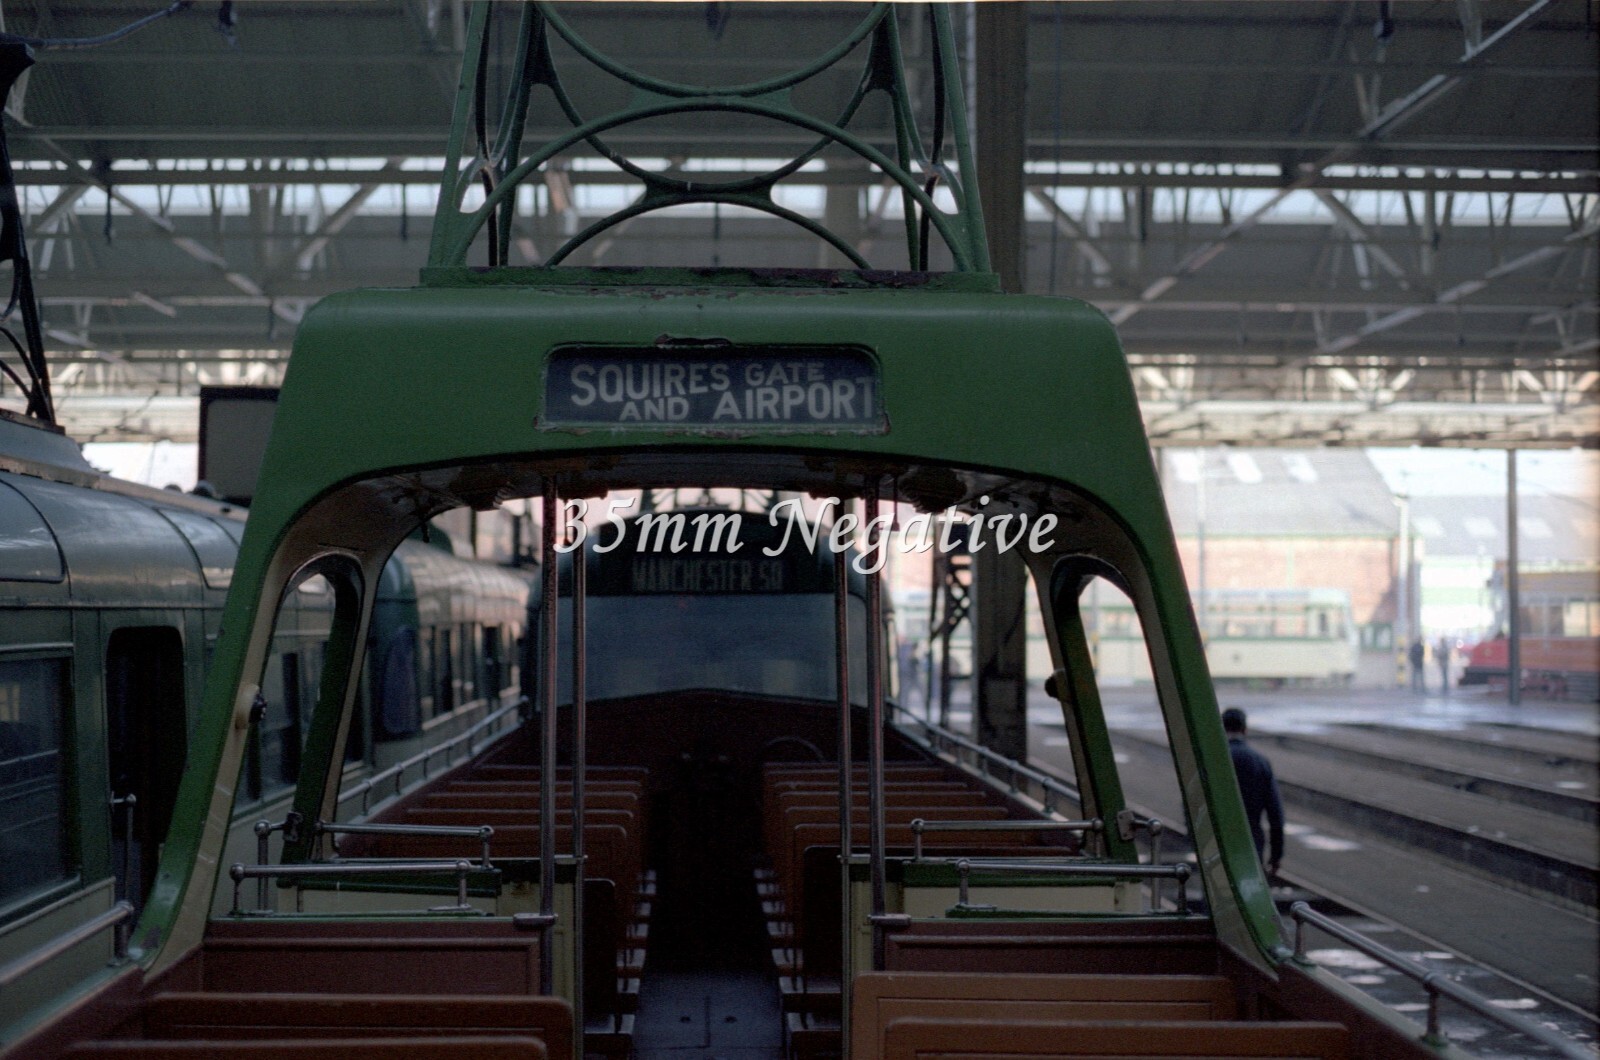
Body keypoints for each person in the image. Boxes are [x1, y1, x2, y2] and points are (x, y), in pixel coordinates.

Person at [1222, 707, 1283, 878]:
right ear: (1245, 729)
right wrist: (1276, 855)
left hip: (1217, 840)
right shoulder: (1259, 761)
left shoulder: (1214, 760)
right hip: (1251, 840)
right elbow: (1275, 814)